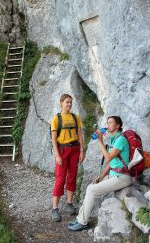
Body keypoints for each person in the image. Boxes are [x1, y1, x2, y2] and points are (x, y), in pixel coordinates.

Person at [68, 116, 133, 231]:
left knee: (93, 190)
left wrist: (100, 141)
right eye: (107, 123)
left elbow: (107, 158)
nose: (107, 125)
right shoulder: (114, 139)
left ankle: (83, 222)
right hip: (114, 174)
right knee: (91, 186)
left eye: (110, 123)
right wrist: (101, 176)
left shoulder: (120, 140)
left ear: (117, 126)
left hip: (122, 177)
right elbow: (112, 161)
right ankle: (80, 219)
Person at [51, 93, 85, 222]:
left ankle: (69, 203)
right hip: (62, 150)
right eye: (67, 102)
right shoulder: (56, 119)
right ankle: (55, 208)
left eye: (70, 102)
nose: (69, 104)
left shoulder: (75, 118)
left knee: (72, 176)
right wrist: (57, 155)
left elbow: (80, 135)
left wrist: (82, 150)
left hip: (75, 149)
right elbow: (54, 139)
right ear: (61, 103)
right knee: (60, 179)